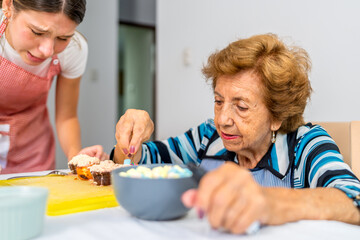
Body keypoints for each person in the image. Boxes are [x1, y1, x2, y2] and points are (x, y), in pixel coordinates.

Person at [112, 33, 360, 234]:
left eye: (241, 107)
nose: (222, 120)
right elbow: (140, 162)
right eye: (219, 101)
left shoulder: (305, 143)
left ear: (277, 117)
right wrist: (130, 138)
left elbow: (353, 199)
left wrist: (268, 202)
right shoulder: (208, 136)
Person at [0, 0, 108, 174]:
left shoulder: (74, 49)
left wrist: (76, 157)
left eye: (63, 38)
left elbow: (67, 117)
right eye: (37, 32)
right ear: (8, 6)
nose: (48, 50)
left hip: (32, 155)